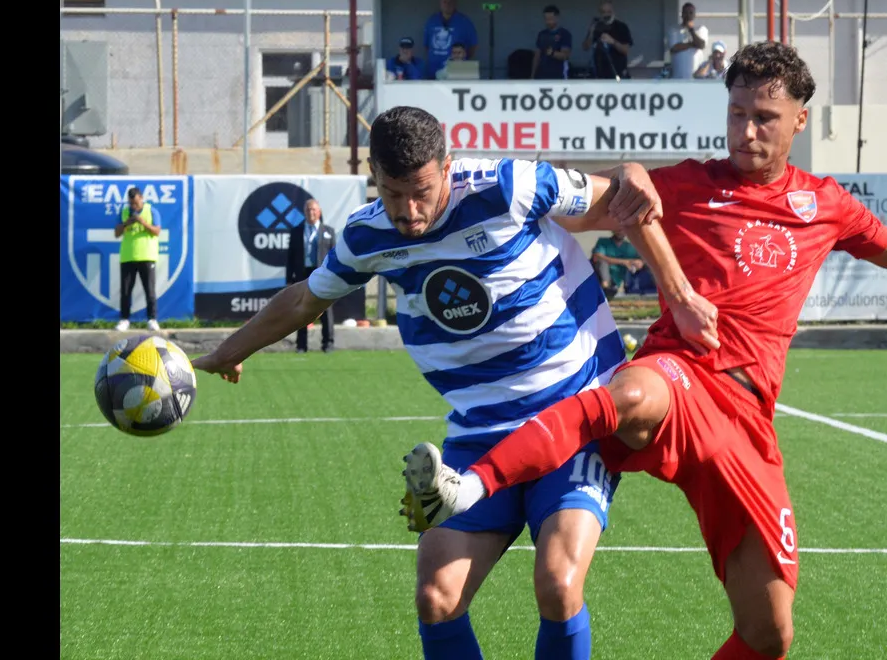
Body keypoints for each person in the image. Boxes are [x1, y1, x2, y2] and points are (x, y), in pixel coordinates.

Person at [399, 42, 887, 660]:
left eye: (764, 117)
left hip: (745, 419)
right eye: (736, 113)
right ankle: (471, 485)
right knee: (633, 392)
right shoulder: (691, 183)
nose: (745, 131)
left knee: (769, 633)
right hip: (679, 371)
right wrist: (630, 173)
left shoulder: (824, 204)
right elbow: (596, 197)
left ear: (800, 119)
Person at [190, 105, 715, 660]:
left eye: (420, 192)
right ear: (374, 176)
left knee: (558, 584)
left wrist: (679, 293)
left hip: (573, 416)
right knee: (436, 598)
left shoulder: (507, 187)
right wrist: (229, 351)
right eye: (392, 193)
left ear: (447, 166)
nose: (407, 211)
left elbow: (625, 204)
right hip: (480, 430)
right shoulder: (368, 235)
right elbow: (304, 299)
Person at [285, 198, 336, 353]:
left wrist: (334, 276)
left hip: (322, 274)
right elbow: (290, 257)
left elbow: (334, 256)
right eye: (308, 210)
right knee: (302, 309)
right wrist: (289, 279)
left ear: (319, 212)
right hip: (302, 274)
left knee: (325, 309)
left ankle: (328, 344)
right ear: (304, 212)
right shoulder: (296, 231)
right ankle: (301, 345)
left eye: (313, 209)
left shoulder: (328, 231)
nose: (310, 212)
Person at [114, 186, 161, 332]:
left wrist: (142, 222)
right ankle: (124, 319)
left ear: (141, 198)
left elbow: (157, 231)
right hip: (128, 256)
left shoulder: (151, 211)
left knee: (150, 290)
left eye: (135, 203)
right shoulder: (124, 212)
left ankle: (152, 319)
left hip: (147, 256)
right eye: (131, 203)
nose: (133, 206)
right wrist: (127, 223)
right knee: (126, 291)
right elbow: (116, 233)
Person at [424, 0, 478, 79]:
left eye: (450, 2)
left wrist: (461, 60)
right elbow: (426, 46)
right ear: (440, 4)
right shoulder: (432, 20)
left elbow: (473, 46)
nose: (447, 5)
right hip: (433, 69)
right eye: (444, 2)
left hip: (456, 70)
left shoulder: (464, 21)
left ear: (455, 4)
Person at [581, 0, 633, 80]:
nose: (606, 15)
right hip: (600, 74)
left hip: (618, 73)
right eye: (603, 12)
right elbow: (585, 47)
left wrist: (612, 41)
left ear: (613, 12)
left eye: (608, 12)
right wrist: (591, 33)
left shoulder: (621, 27)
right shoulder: (596, 26)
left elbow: (625, 50)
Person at [591, 230, 643, 299]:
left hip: (621, 281)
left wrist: (637, 263)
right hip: (602, 279)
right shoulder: (603, 242)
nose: (620, 232)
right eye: (617, 229)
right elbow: (596, 257)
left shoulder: (630, 247)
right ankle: (605, 287)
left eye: (622, 230)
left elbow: (640, 262)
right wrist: (624, 262)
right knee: (602, 263)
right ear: (612, 230)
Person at [668, 2, 708, 80]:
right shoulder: (674, 29)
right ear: (682, 14)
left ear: (694, 15)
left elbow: (701, 45)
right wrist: (693, 44)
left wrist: (691, 30)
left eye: (691, 13)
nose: (688, 15)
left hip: (696, 79)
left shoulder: (701, 29)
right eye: (685, 12)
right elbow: (674, 48)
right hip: (678, 78)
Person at [532, 4, 573, 80]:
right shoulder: (542, 34)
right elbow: (537, 56)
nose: (548, 21)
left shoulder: (564, 34)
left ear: (557, 18)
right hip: (541, 75)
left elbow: (565, 56)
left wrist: (552, 53)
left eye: (550, 19)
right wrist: (532, 76)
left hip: (558, 75)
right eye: (546, 19)